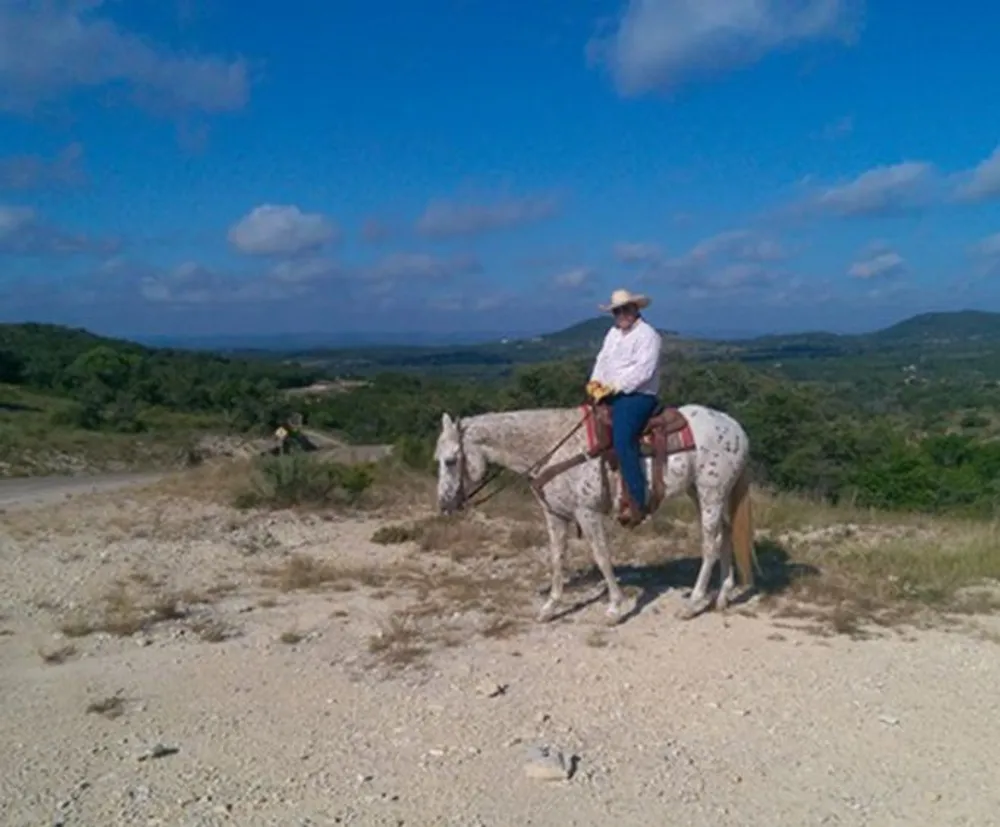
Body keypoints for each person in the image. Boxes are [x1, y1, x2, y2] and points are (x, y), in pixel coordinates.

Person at [586, 288, 663, 526]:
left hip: (637, 396)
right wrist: (595, 383)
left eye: (625, 309)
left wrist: (615, 387)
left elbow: (644, 371)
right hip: (611, 391)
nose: (621, 314)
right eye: (617, 311)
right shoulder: (613, 334)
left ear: (635, 309)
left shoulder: (648, 335)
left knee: (622, 439)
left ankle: (638, 501)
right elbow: (602, 360)